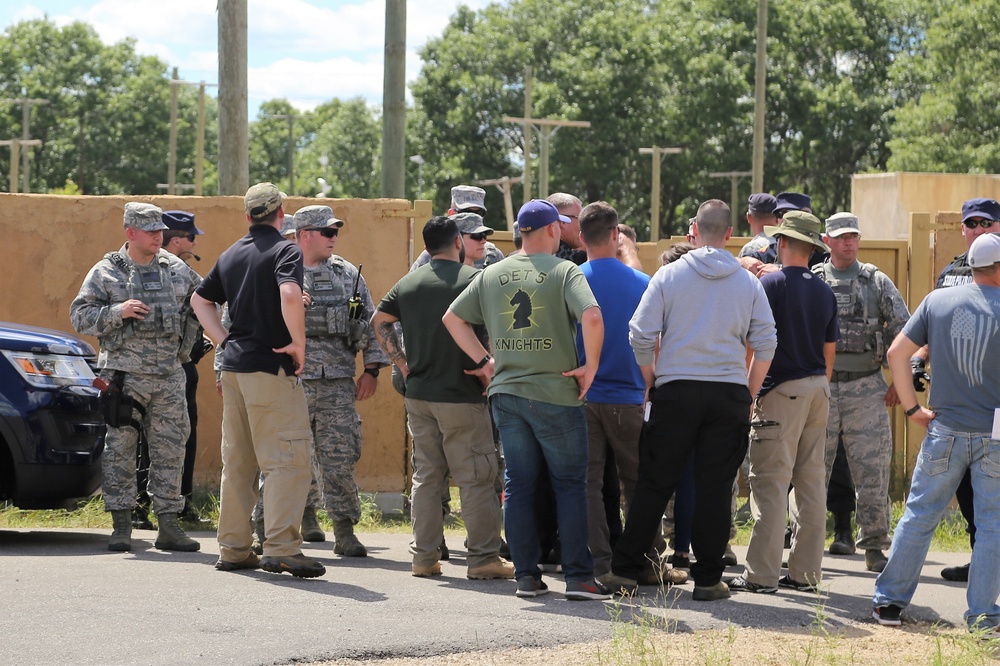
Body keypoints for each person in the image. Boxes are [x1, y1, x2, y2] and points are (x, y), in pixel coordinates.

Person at [597, 199, 777, 601]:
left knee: (654, 482)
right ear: (731, 234)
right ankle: (709, 579)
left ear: (693, 230)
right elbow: (766, 343)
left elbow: (640, 333)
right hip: (728, 391)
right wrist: (747, 392)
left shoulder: (669, 276)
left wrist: (651, 378)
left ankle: (625, 570)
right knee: (716, 487)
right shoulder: (748, 282)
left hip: (675, 388)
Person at [443, 198, 609, 601]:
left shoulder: (491, 273)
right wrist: (589, 367)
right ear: (553, 230)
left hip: (507, 394)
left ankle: (527, 577)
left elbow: (452, 318)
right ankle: (578, 579)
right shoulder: (565, 269)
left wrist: (485, 360)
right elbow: (592, 316)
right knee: (569, 485)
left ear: (521, 232)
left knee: (519, 484)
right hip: (555, 394)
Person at [191, 182, 325, 578]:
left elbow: (201, 300)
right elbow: (288, 294)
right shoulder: (286, 250)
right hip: (270, 369)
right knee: (288, 461)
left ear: (248, 215)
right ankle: (282, 548)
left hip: (234, 369)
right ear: (281, 213)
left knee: (239, 463)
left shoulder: (232, 252)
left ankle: (233, 548)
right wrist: (298, 343)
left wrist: (222, 339)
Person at [872, 231, 1000, 632]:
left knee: (919, 514)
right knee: (993, 523)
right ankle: (982, 615)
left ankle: (888, 604)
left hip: (943, 426)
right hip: (995, 434)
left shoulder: (938, 301)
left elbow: (897, 354)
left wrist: (913, 408)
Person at [372, 216, 512, 580]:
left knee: (427, 476)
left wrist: (401, 363)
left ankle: (424, 558)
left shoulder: (410, 281)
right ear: (457, 243)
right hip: (463, 394)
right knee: (477, 476)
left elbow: (380, 321)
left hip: (419, 396)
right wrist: (488, 365)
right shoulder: (474, 280)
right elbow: (498, 327)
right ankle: (483, 558)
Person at [69, 202, 203, 553]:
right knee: (120, 451)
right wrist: (118, 311)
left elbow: (204, 303)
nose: (159, 236)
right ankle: (121, 525)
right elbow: (80, 316)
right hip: (125, 377)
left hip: (169, 375)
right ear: (131, 233)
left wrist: (187, 348)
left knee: (171, 448)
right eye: (151, 231)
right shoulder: (106, 272)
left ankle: (169, 525)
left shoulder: (176, 269)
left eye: (161, 230)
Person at [729, 211, 838, 595]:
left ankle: (761, 575)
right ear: (813, 249)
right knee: (810, 483)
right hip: (818, 389)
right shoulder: (826, 290)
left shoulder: (770, 285)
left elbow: (753, 343)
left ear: (785, 243)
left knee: (770, 483)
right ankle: (805, 573)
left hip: (780, 391)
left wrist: (748, 392)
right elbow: (829, 352)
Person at [576, 202, 685, 585]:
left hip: (582, 396)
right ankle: (650, 563)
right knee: (640, 483)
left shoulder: (571, 279)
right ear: (615, 235)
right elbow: (658, 341)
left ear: (580, 236)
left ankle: (601, 565)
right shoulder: (643, 283)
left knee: (588, 484)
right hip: (631, 398)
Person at [812, 212, 910, 573]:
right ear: (827, 241)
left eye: (853, 236)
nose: (848, 243)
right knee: (810, 469)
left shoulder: (876, 282)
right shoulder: (816, 281)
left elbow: (906, 329)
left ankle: (873, 546)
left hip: (866, 386)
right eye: (840, 237)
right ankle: (803, 541)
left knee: (872, 472)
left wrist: (903, 381)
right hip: (822, 386)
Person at [292, 204, 389, 557]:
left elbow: (372, 321)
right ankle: (284, 522)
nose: (334, 238)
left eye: (336, 232)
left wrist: (372, 369)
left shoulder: (348, 274)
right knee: (288, 456)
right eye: (327, 232)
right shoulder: (281, 272)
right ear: (305, 235)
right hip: (293, 381)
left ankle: (345, 530)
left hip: (337, 382)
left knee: (339, 457)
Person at [914, 197, 1000, 583]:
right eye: (972, 223)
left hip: (994, 403)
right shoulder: (949, 274)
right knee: (966, 490)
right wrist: (920, 358)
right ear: (962, 229)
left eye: (987, 222)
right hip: (955, 402)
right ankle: (981, 561)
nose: (979, 229)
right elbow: (934, 329)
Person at [161, 210, 213, 522]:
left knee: (177, 436)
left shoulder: (178, 271)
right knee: (174, 438)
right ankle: (174, 506)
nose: (194, 243)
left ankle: (168, 505)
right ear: (178, 240)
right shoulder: (174, 270)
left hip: (177, 365)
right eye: (191, 237)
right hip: (171, 368)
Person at [410, 212, 503, 270]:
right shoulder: (428, 259)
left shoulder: (493, 256)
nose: (483, 241)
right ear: (458, 239)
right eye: (477, 236)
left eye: (484, 235)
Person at [548, 192, 586, 265]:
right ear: (562, 222)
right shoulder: (578, 260)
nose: (583, 225)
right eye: (580, 218)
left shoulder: (532, 256)